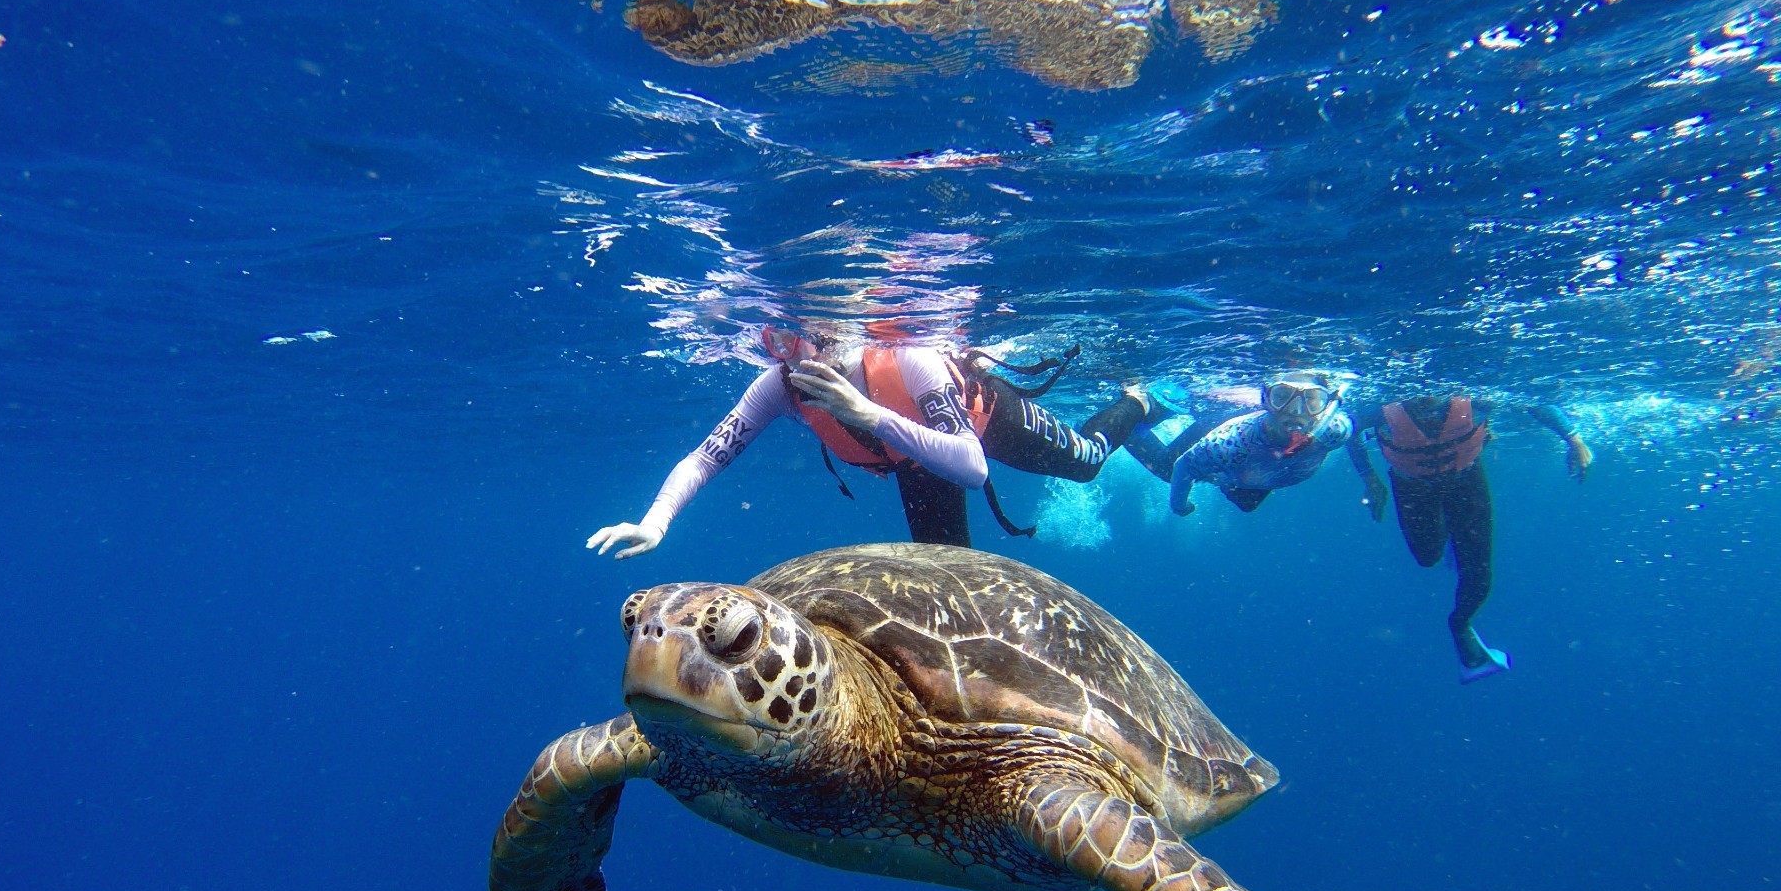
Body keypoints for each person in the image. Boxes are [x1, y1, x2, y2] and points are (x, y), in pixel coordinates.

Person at [586, 327, 1155, 555]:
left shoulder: (910, 358)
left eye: (823, 338)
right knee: (948, 576)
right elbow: (706, 458)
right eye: (782, 342)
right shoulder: (780, 387)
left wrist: (866, 412)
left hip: (983, 423)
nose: (808, 357)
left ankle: (1138, 401)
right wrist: (656, 520)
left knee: (1085, 463)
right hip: (916, 465)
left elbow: (973, 467)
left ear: (849, 331)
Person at [1357, 396, 1593, 684]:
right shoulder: (1382, 407)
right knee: (1426, 557)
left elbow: (1530, 400)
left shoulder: (1474, 395)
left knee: (1479, 574)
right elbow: (1347, 430)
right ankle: (1452, 539)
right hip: (1412, 487)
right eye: (1417, 400)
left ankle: (1460, 623)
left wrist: (1575, 440)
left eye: (1430, 398)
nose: (1425, 402)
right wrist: (1369, 477)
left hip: (1466, 481)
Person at [1144, 372, 1383, 517]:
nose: (1296, 411)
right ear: (1264, 400)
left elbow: (1356, 430)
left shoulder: (1332, 430)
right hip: (1222, 429)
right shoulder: (1229, 444)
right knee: (1165, 470)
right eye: (1282, 397)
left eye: (1312, 400)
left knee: (1247, 505)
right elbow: (1183, 467)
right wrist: (1179, 505)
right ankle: (1139, 421)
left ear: (1325, 405)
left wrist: (1370, 478)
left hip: (1254, 476)